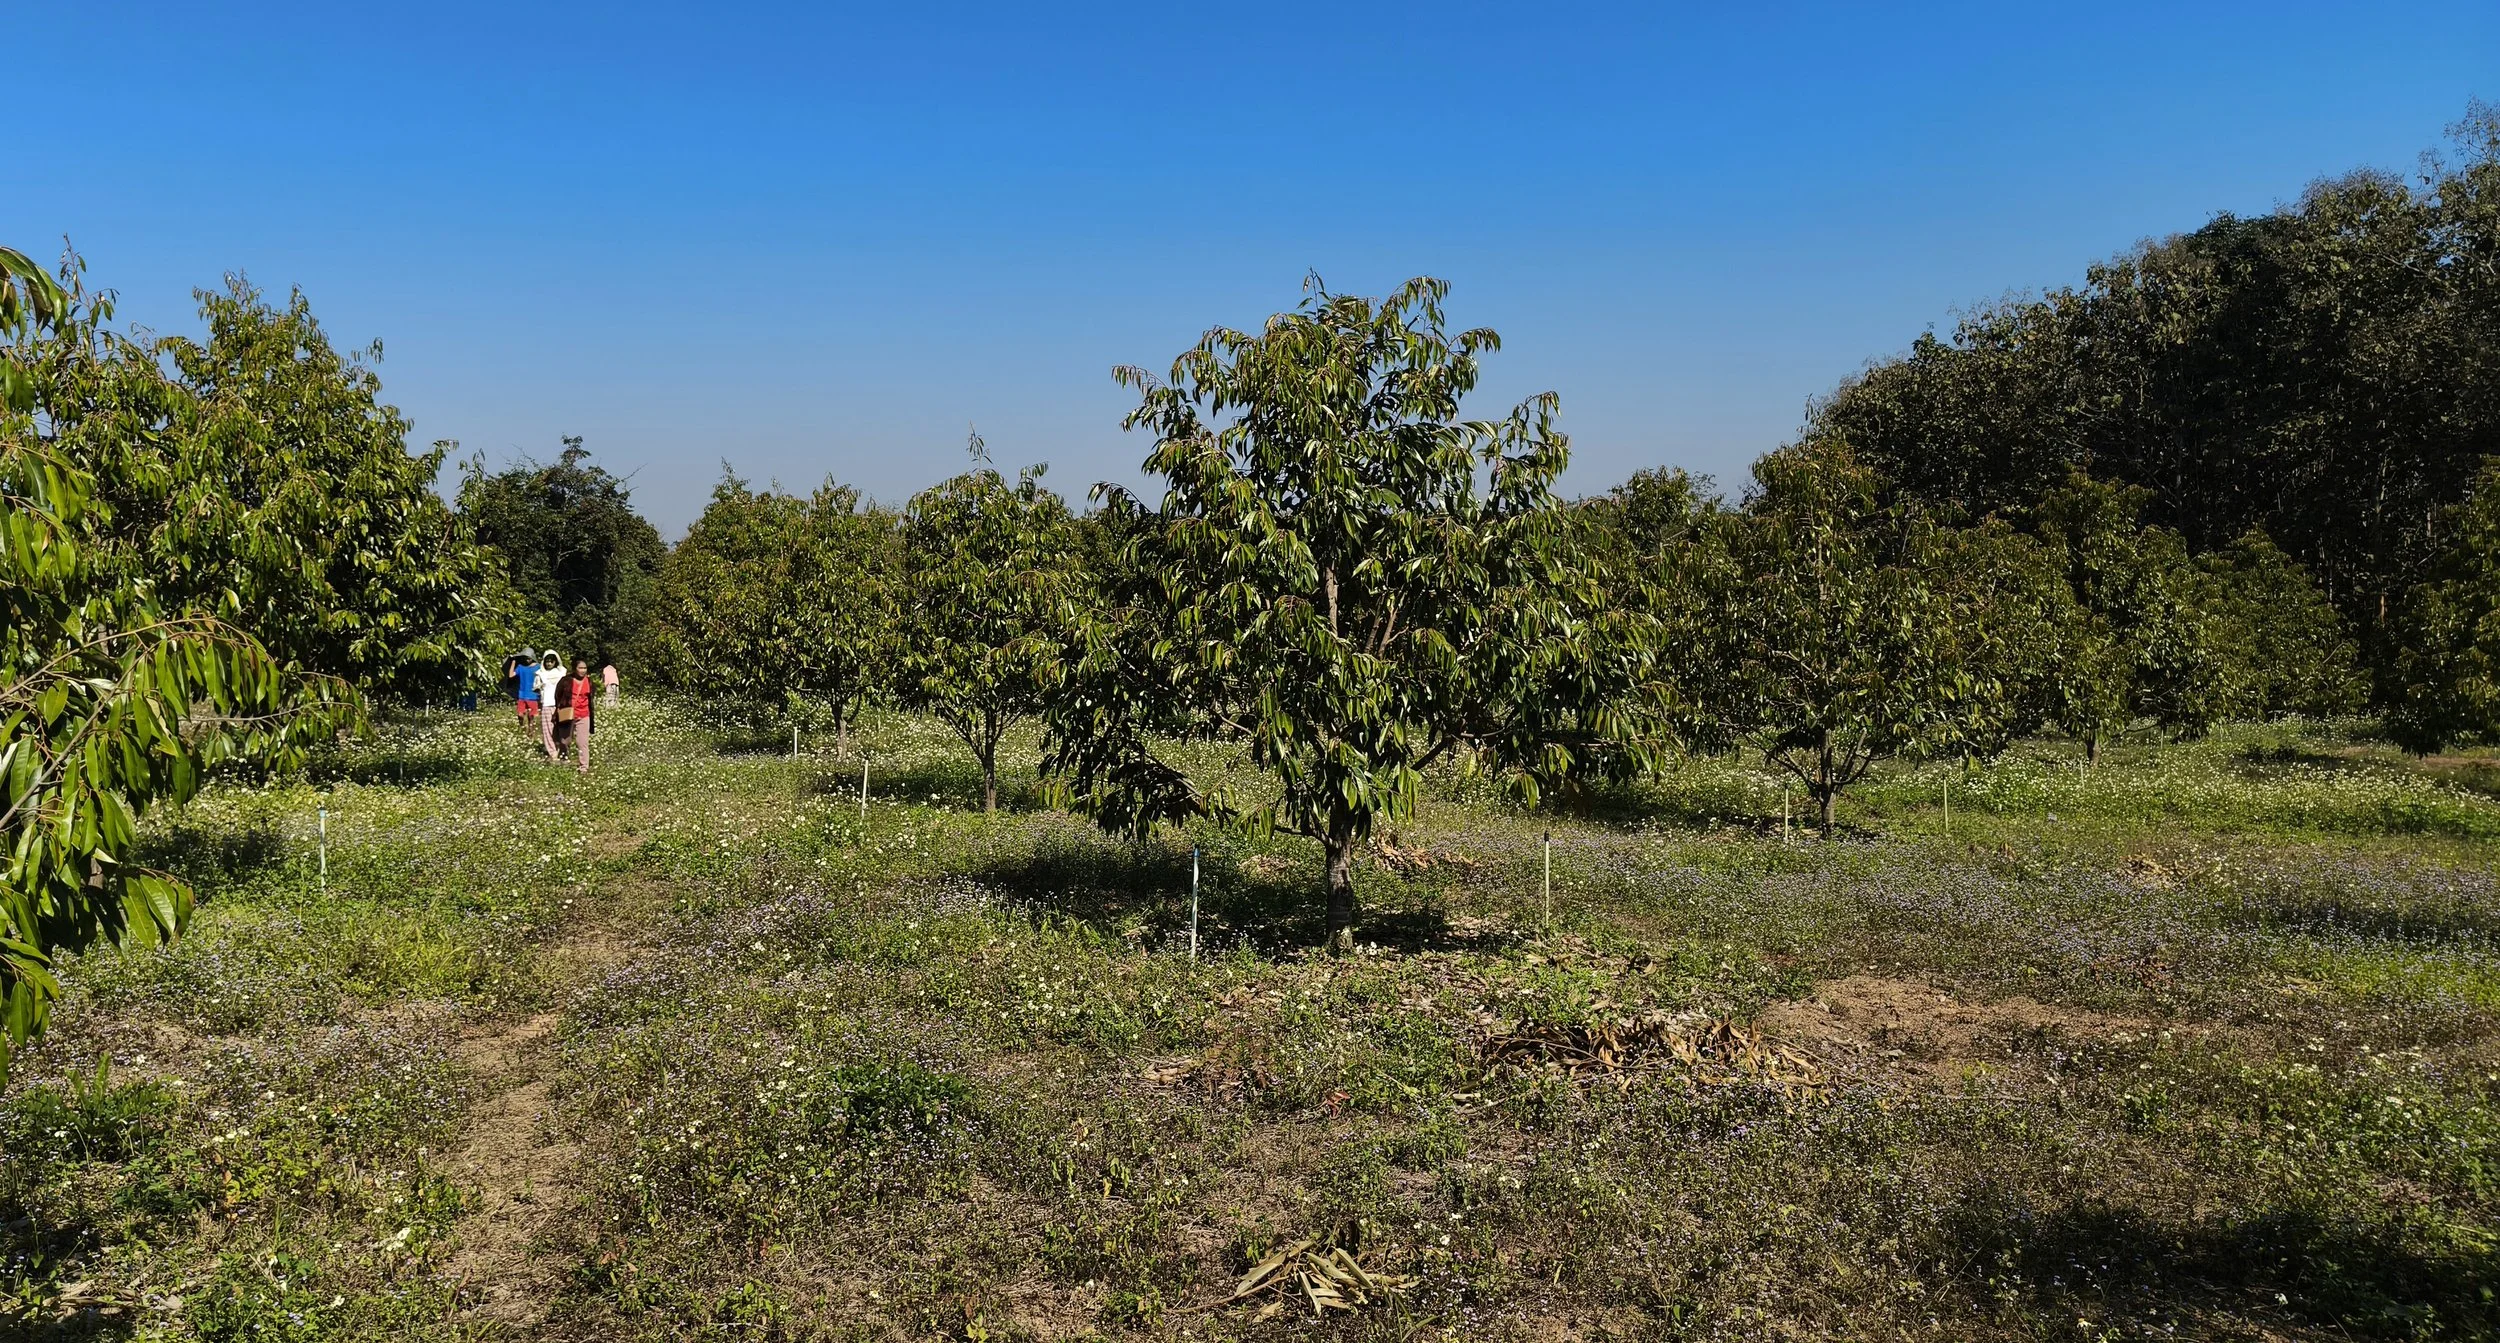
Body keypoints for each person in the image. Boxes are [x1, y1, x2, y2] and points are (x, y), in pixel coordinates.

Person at [534, 651, 568, 764]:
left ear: (556, 661)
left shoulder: (562, 672)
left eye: (551, 661)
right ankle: (552, 753)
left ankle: (562, 751)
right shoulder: (540, 674)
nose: (549, 663)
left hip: (561, 704)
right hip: (547, 704)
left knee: (562, 728)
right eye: (547, 661)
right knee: (548, 729)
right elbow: (536, 688)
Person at [570, 658, 597, 772]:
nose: (582, 670)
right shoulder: (567, 681)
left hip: (584, 714)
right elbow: (559, 694)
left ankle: (584, 766)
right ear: (575, 669)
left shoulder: (589, 682)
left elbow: (591, 697)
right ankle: (563, 759)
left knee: (582, 742)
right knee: (564, 740)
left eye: (584, 668)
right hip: (569, 714)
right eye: (580, 668)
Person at [511, 650, 539, 734]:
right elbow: (511, 675)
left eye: (529, 658)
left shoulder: (538, 667)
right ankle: (522, 728)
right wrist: (513, 661)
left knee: (531, 716)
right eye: (526, 658)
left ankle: (531, 733)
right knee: (520, 714)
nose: (527, 660)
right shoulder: (520, 667)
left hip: (533, 695)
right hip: (522, 695)